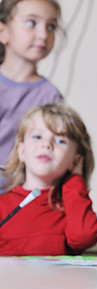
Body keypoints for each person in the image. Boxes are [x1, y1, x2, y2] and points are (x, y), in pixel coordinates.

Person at [0, 103, 97, 256]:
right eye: (37, 136)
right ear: (21, 151)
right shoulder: (3, 206)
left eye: (60, 141)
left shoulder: (71, 207)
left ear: (74, 161)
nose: (47, 144)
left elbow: (84, 238)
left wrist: (75, 180)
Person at [0, 0, 63, 192]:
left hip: (14, 200)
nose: (43, 34)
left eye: (51, 26)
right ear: (3, 32)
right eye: (31, 23)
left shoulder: (51, 97)